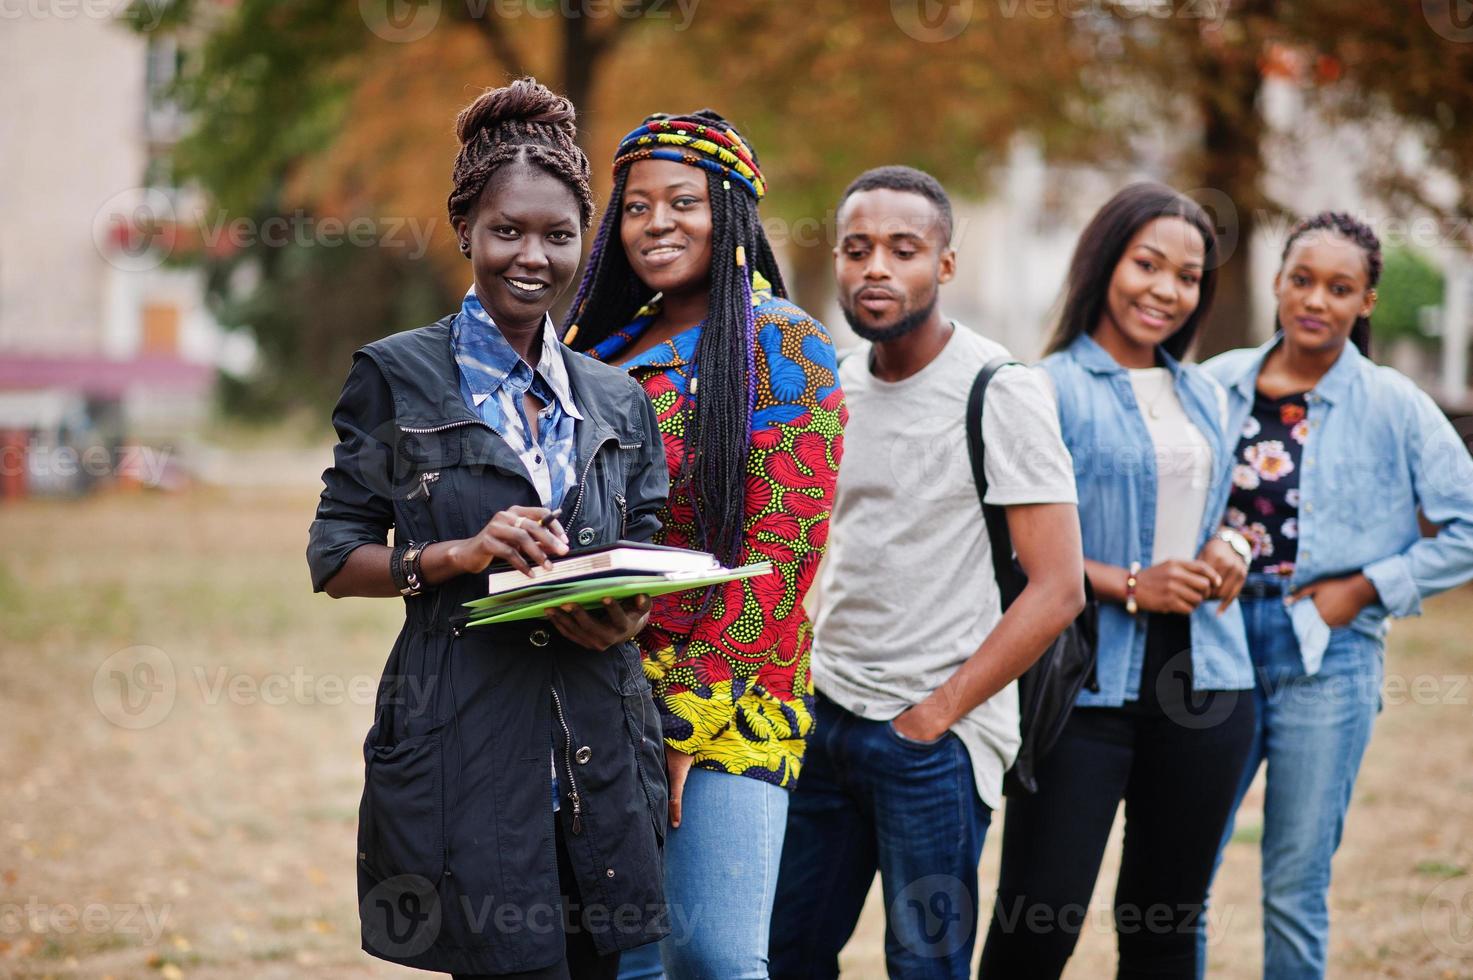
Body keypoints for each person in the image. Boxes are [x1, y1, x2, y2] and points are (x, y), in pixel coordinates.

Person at [306, 78, 671, 980]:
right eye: (508, 231)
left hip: (599, 746)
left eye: (558, 235)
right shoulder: (397, 377)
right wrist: (456, 556)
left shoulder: (615, 395)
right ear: (466, 228)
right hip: (461, 743)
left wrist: (628, 612)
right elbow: (335, 556)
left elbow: (651, 532)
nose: (532, 257)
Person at [768, 165, 1086, 980]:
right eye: (857, 248)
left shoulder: (999, 390)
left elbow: (1057, 589)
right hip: (825, 717)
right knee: (781, 953)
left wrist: (934, 715)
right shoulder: (832, 387)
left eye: (903, 250)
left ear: (943, 266)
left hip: (932, 738)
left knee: (924, 967)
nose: (875, 268)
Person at [565, 110, 846, 979]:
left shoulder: (784, 345)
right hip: (589, 690)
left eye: (682, 202)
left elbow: (782, 558)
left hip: (728, 697)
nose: (657, 224)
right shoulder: (593, 348)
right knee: (631, 963)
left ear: (731, 213)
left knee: (716, 955)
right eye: (637, 206)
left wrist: (681, 723)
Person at [979, 182, 1258, 979]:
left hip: (1207, 690)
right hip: (1083, 694)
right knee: (1038, 919)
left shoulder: (1206, 392)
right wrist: (1130, 582)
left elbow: (1236, 506)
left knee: (1164, 928)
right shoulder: (1041, 389)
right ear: (1105, 261)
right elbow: (1012, 548)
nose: (1166, 290)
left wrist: (1232, 547)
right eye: (1147, 264)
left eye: (1188, 275)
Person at [1197, 212, 1473, 979]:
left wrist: (1363, 589)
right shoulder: (1214, 385)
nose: (1315, 299)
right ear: (1277, 282)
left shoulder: (1392, 403)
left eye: (1339, 287)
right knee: (1180, 872)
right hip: (1211, 645)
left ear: (1366, 303)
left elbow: (1466, 523)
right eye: (1301, 280)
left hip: (1326, 651)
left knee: (1293, 880)